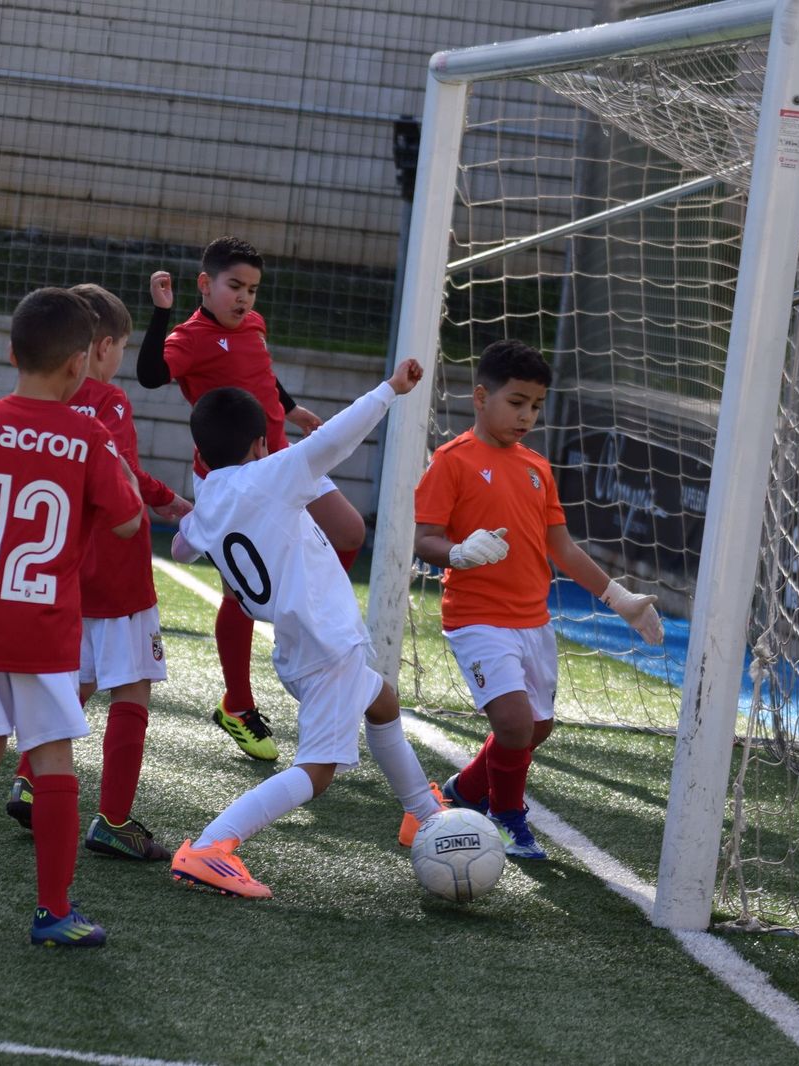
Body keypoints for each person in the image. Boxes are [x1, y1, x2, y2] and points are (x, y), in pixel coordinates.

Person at [0, 287, 143, 947]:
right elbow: (127, 521)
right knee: (52, 759)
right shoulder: (89, 433)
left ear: (12, 352)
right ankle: (53, 912)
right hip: (43, 627)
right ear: (78, 365)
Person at [165, 362, 443, 899]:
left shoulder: (209, 506)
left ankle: (422, 813)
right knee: (315, 774)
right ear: (257, 446)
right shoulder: (268, 475)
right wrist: (390, 389)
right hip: (323, 644)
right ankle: (210, 846)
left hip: (300, 645)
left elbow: (183, 544)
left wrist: (185, 518)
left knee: (382, 701)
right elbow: (337, 437)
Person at [413, 339, 663, 860]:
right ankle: (508, 818)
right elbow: (423, 537)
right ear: (481, 397)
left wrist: (620, 599)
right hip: (477, 618)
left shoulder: (536, 468)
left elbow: (563, 549)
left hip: (534, 620)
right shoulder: (452, 460)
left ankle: (462, 791)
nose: (527, 415)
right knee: (513, 725)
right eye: (516, 402)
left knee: (537, 728)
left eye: (535, 406)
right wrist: (457, 552)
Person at [136, 236, 364, 762]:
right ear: (205, 285)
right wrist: (160, 313)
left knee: (350, 532)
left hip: (282, 460)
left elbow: (261, 373)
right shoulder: (189, 338)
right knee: (240, 593)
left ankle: (301, 620)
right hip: (236, 480)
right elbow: (150, 376)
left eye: (253, 290)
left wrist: (293, 408)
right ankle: (237, 704)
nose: (244, 298)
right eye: (234, 286)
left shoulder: (253, 326)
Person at [2, 283, 192, 861]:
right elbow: (124, 474)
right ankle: (113, 821)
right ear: (102, 347)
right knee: (132, 687)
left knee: (73, 680)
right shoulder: (108, 404)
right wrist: (169, 501)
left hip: (65, 570)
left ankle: (30, 779)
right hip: (118, 573)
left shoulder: (42, 401)